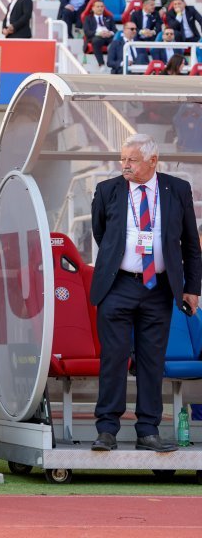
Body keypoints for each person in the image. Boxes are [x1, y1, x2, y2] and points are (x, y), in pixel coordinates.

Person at [90, 134, 201, 454]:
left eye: (132, 160)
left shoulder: (176, 189)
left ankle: (148, 430)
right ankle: (107, 429)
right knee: (114, 358)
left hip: (159, 287)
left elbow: (192, 245)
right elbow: (102, 234)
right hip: (118, 285)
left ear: (153, 161)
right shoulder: (107, 189)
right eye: (122, 159)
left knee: (153, 360)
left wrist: (192, 288)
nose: (124, 165)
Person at [83, 0, 115, 68]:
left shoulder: (109, 17)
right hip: (96, 36)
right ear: (93, 8)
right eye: (98, 6)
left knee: (116, 41)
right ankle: (101, 64)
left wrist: (110, 33)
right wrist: (98, 33)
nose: (100, 8)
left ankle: (112, 63)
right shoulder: (88, 18)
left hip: (108, 36)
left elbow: (115, 30)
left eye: (102, 6)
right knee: (96, 41)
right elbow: (87, 32)